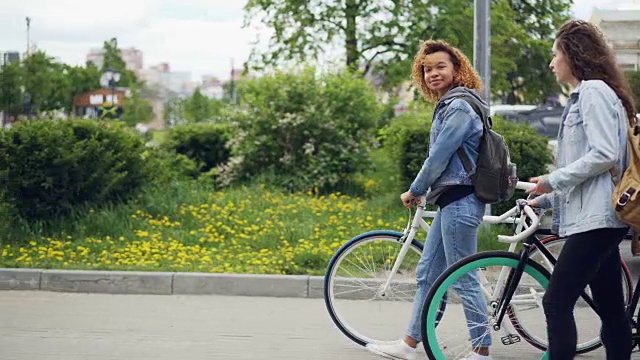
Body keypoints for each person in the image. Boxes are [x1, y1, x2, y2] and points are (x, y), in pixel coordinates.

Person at [366, 40, 492, 360]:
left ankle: (481, 350)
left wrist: (416, 188)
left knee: (462, 277)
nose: (433, 73)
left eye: (440, 67)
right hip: (450, 200)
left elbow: (439, 155)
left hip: (461, 200)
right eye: (427, 68)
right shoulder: (451, 103)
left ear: (457, 69)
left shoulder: (460, 105)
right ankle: (409, 344)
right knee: (427, 273)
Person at [527, 19, 637, 359]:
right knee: (611, 311)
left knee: (556, 302)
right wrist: (543, 198)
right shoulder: (591, 94)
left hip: (598, 219)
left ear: (572, 55)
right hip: (595, 216)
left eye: (555, 54)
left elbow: (603, 155)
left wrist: (551, 180)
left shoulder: (593, 92)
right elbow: (586, 169)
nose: (551, 63)